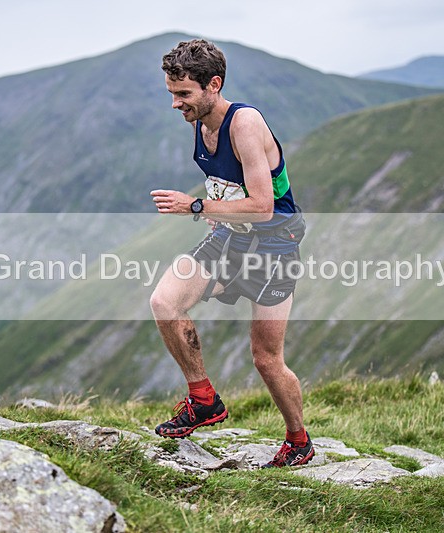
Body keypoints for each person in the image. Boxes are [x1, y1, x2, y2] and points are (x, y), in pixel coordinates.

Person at [149, 38, 313, 468]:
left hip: (274, 246)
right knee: (165, 301)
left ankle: (299, 440)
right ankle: (203, 399)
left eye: (183, 94)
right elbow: (229, 181)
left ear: (213, 85)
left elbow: (263, 206)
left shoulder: (244, 124)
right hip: (231, 238)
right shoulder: (200, 123)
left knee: (266, 360)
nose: (175, 104)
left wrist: (197, 205)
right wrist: (217, 208)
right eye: (171, 93)